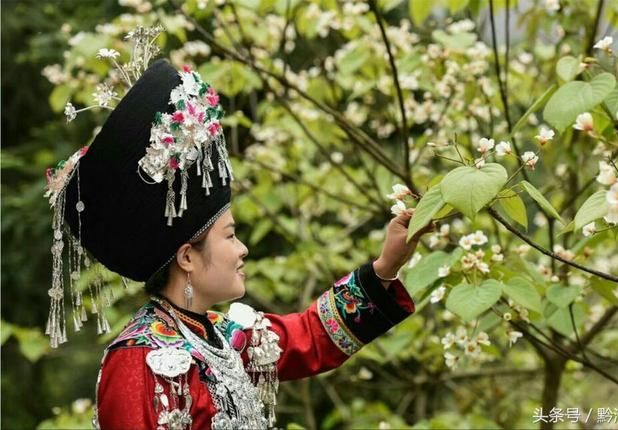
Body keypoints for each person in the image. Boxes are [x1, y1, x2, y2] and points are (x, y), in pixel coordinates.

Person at [44, 29, 431, 430]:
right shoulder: (140, 361)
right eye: (229, 236)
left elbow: (311, 335)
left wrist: (387, 264)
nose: (243, 249)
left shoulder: (225, 338)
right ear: (187, 257)